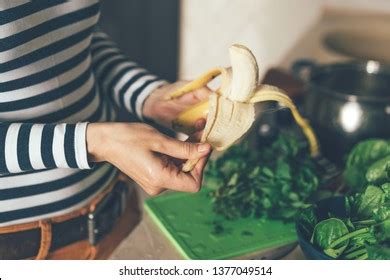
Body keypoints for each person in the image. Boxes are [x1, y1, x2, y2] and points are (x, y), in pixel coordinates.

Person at [0, 0, 211, 259]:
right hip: (22, 251)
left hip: (116, 212)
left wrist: (146, 94)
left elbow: (73, 37)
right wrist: (96, 142)